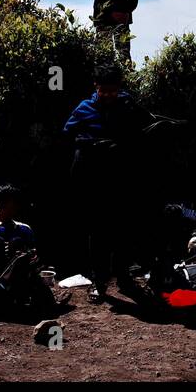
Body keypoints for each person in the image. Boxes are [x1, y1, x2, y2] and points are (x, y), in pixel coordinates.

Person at [63, 64, 154, 303]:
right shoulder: (84, 108)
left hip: (123, 180)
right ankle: (99, 281)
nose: (108, 95)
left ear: (119, 88)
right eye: (104, 90)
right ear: (96, 87)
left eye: (112, 91)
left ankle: (124, 279)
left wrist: (124, 145)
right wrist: (91, 145)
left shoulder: (128, 105)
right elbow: (68, 136)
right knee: (98, 232)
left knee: (124, 230)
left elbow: (145, 132)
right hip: (93, 182)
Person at [0, 184, 55, 317]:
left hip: (16, 274)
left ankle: (32, 295)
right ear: (2, 203)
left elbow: (34, 258)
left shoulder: (24, 229)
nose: (17, 206)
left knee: (17, 242)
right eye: (13, 202)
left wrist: (32, 258)